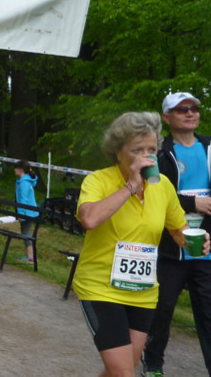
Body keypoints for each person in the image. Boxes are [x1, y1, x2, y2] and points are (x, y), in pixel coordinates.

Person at [73, 112, 210, 377]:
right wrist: (131, 185)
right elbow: (89, 219)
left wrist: (195, 240)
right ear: (118, 152)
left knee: (119, 371)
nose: (146, 156)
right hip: (101, 288)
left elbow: (178, 229)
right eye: (137, 150)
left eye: (151, 149)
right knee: (124, 373)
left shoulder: (163, 186)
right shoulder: (98, 180)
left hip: (143, 291)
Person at [143, 92, 211, 376]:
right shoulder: (159, 152)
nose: (190, 113)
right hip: (171, 247)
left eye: (193, 108)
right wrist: (192, 203)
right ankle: (153, 363)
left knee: (208, 313)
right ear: (167, 117)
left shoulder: (209, 146)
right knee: (163, 309)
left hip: (205, 246)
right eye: (182, 109)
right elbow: (152, 192)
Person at [13, 160, 38, 264]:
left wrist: (21, 214)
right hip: (28, 211)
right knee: (24, 232)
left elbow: (23, 200)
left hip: (27, 212)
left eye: (16, 168)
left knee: (26, 232)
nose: (14, 170)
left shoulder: (24, 183)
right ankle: (29, 256)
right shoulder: (21, 181)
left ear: (21, 169)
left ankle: (31, 257)